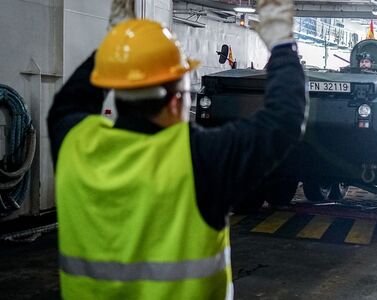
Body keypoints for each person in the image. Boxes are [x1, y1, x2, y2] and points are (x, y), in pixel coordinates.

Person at [46, 0, 305, 299]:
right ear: (175, 100)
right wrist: (283, 45)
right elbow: (284, 119)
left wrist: (116, 47)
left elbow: (70, 101)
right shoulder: (198, 158)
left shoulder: (76, 145)